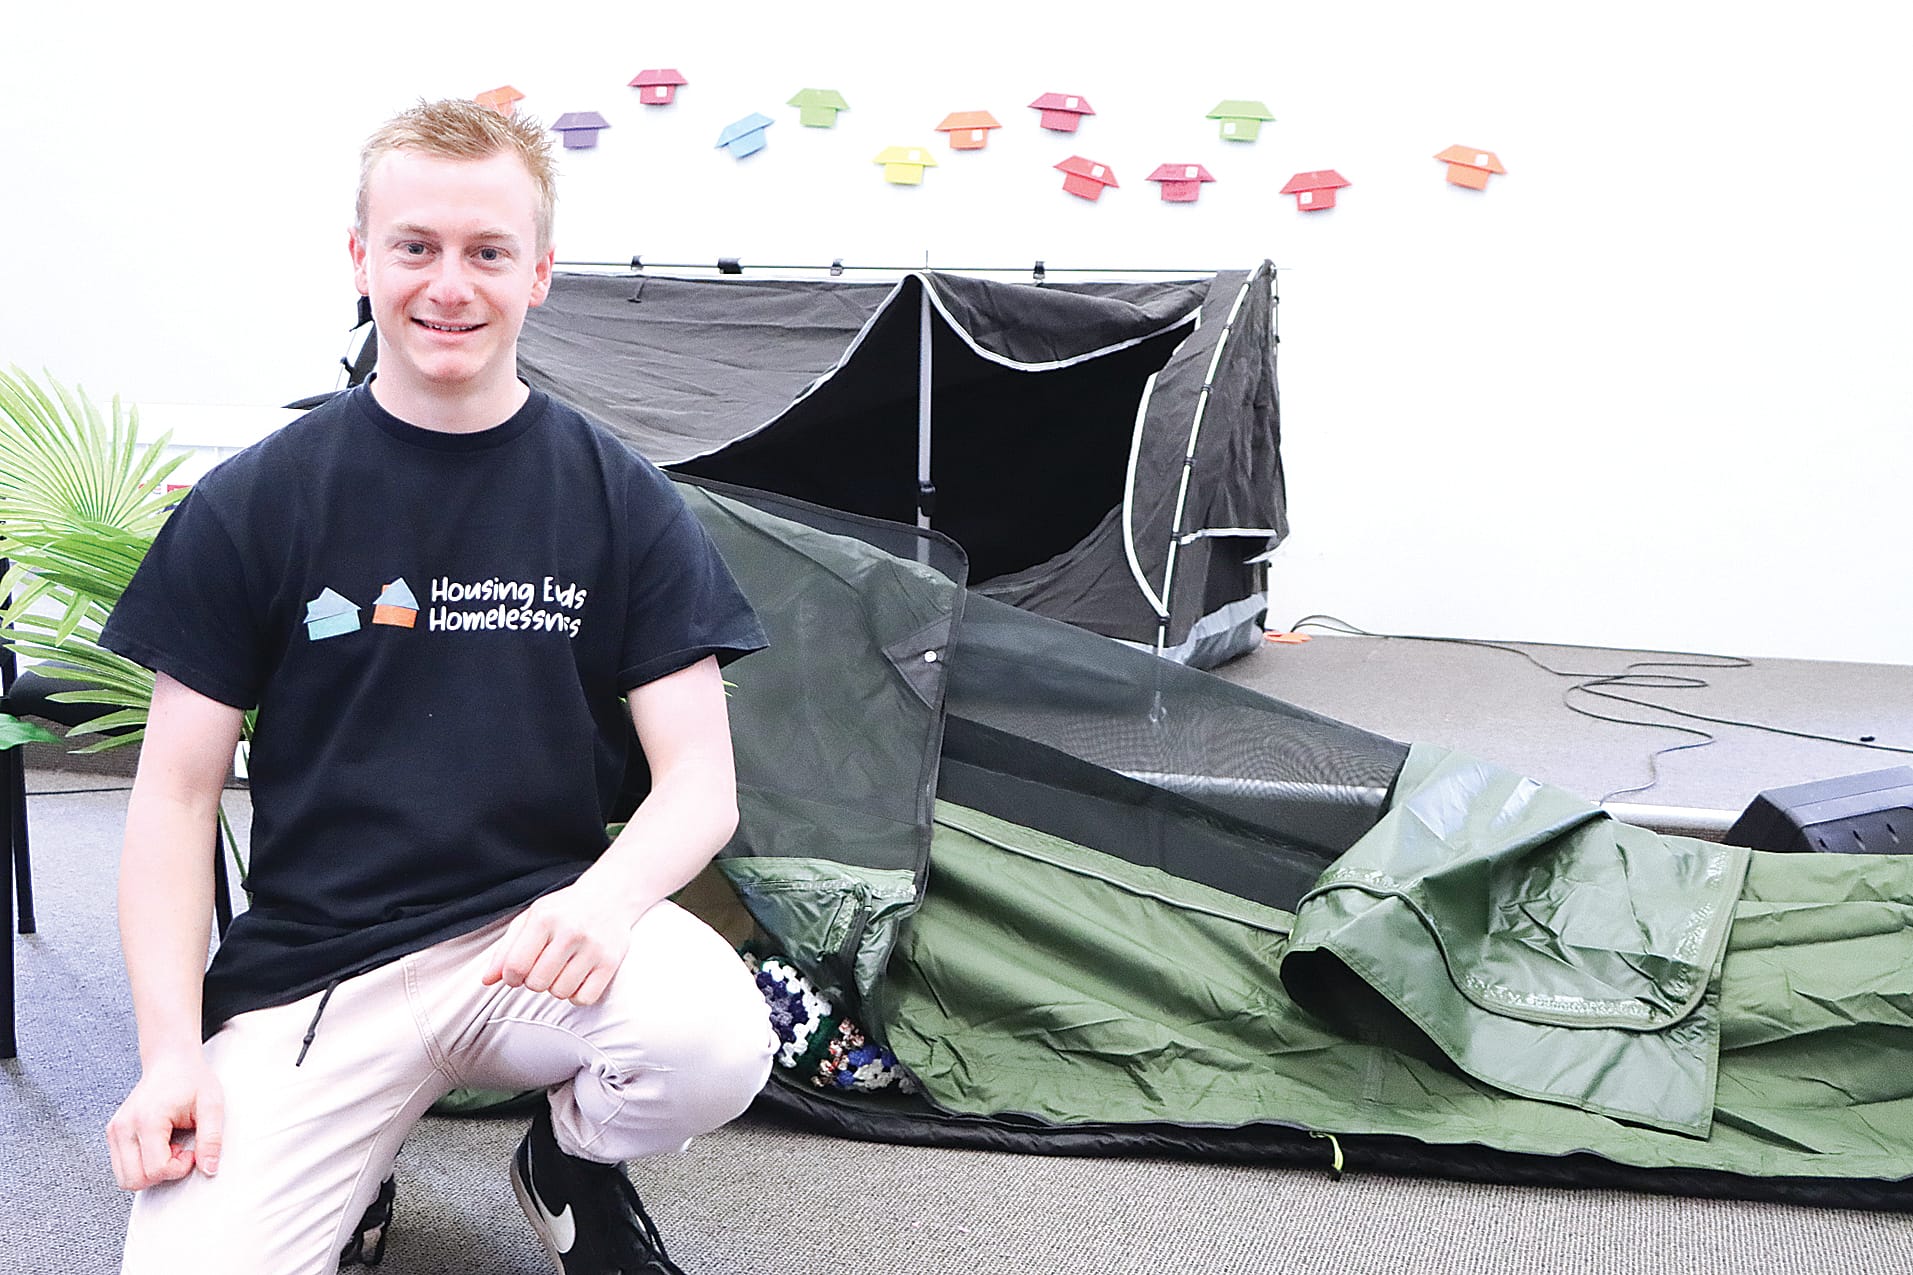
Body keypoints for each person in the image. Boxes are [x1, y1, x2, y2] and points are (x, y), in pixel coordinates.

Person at [99, 98, 777, 1275]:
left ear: (540, 273)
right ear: (360, 260)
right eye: (413, 247)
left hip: (533, 945)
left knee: (711, 1039)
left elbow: (699, 785)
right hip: (317, 978)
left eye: (486, 252)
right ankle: (349, 1183)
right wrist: (170, 1056)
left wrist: (605, 903)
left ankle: (568, 1158)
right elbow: (171, 800)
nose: (447, 285)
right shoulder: (258, 500)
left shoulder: (622, 500)